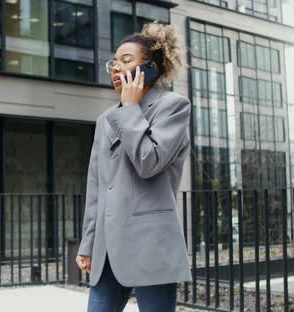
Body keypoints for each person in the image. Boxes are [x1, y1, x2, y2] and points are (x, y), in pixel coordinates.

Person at [74, 22, 193, 312]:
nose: (116, 68)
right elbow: (96, 186)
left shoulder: (174, 106)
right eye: (113, 63)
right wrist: (87, 243)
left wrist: (130, 108)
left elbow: (148, 162)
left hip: (150, 243)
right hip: (108, 248)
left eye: (126, 61)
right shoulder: (105, 120)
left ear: (151, 67)